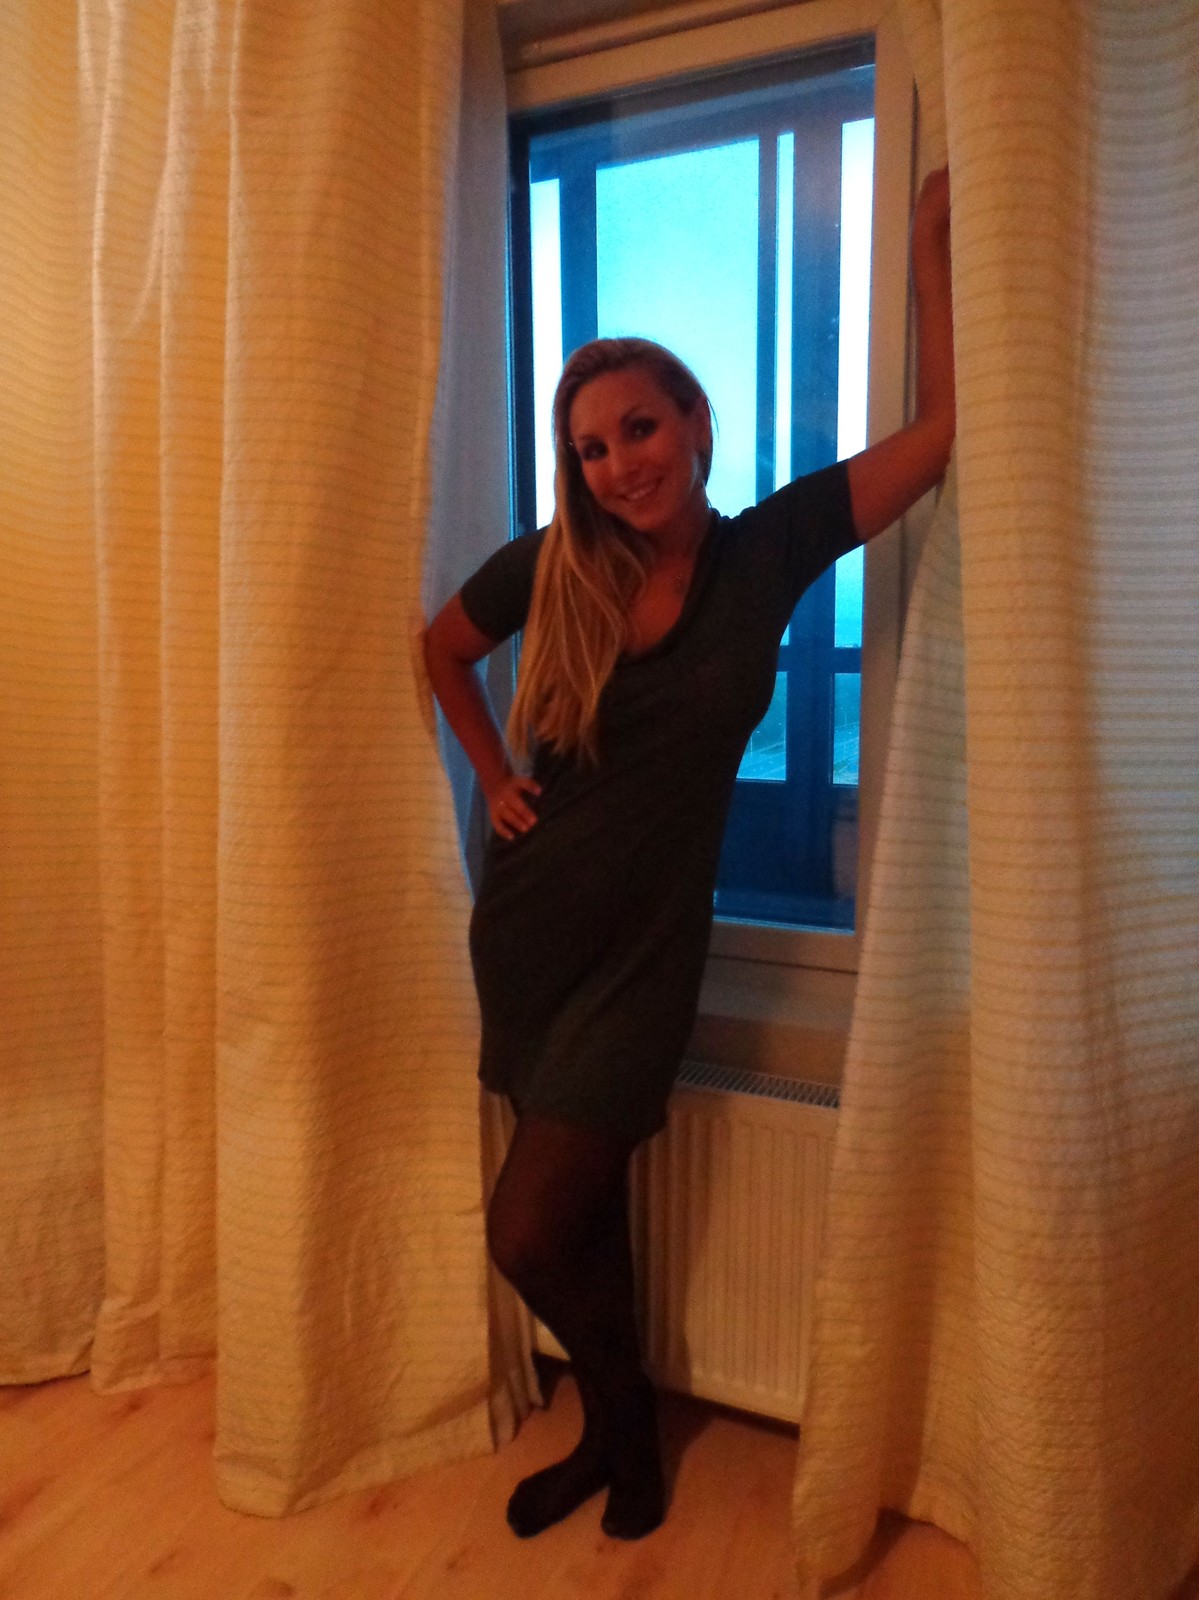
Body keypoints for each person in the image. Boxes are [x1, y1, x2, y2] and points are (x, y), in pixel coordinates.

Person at [423, 168, 955, 1542]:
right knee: (579, 1215)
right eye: (593, 448)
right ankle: (618, 1441)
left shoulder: (767, 551)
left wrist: (934, 249)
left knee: (529, 1227)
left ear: (696, 421)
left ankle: (628, 1423)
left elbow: (938, 437)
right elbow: (440, 649)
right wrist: (493, 777)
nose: (620, 464)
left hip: (648, 956)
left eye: (640, 428)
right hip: (532, 933)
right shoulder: (556, 563)